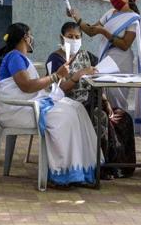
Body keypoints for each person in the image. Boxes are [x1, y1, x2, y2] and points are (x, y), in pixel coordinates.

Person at [0, 23, 98, 187]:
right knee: (65, 117)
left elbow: (32, 87)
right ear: (25, 38)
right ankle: (62, 174)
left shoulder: (20, 58)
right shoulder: (14, 57)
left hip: (27, 106)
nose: (32, 39)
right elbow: (26, 86)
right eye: (30, 35)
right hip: (18, 110)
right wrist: (56, 76)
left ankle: (84, 168)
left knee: (76, 108)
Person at [45, 21, 135, 179]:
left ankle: (121, 166)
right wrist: (78, 75)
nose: (74, 40)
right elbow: (59, 89)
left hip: (95, 99)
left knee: (123, 117)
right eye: (70, 37)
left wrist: (106, 101)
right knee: (99, 117)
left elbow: (101, 78)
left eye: (77, 37)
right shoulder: (56, 59)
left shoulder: (87, 56)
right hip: (70, 104)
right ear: (62, 38)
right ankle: (101, 167)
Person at [69, 0, 141, 135]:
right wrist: (77, 18)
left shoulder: (133, 18)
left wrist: (105, 32)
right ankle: (107, 137)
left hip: (121, 60)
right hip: (108, 58)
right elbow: (92, 31)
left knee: (117, 99)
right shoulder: (109, 13)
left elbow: (125, 44)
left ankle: (120, 136)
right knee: (103, 95)